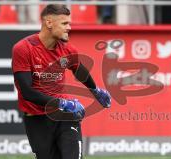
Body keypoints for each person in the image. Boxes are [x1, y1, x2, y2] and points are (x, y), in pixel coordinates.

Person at [12, 4, 111, 159]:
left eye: (69, 23)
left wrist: (95, 90)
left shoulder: (67, 51)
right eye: (64, 23)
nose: (69, 27)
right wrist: (63, 103)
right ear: (49, 23)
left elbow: (79, 70)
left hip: (65, 116)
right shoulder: (23, 48)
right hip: (36, 118)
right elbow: (27, 92)